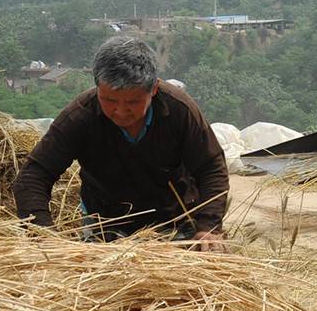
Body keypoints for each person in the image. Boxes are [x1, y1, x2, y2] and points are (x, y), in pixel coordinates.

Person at [13, 37, 229, 251]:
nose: (121, 111)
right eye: (110, 100)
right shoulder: (79, 117)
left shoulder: (179, 110)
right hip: (106, 226)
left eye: (133, 101)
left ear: (153, 89)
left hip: (174, 223)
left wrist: (209, 226)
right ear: (98, 87)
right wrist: (43, 233)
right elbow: (34, 175)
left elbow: (211, 167)